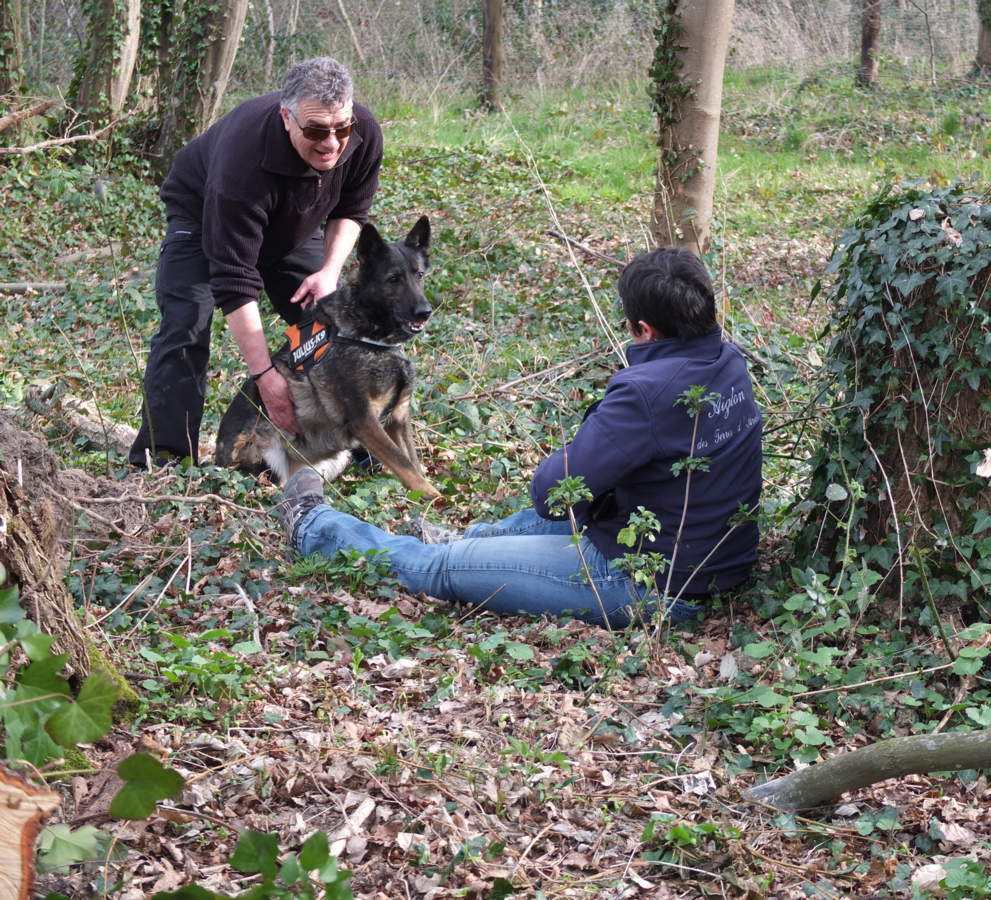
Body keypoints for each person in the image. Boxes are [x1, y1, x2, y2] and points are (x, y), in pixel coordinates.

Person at [277, 247, 763, 628]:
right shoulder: (730, 361)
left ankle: (314, 527)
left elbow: (553, 494)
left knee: (439, 568)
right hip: (709, 560)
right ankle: (470, 542)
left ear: (642, 328)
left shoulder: (646, 394)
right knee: (496, 537)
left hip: (646, 582)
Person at [129, 57, 384, 467]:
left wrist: (329, 272)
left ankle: (351, 438)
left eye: (342, 128)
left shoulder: (364, 132)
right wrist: (267, 377)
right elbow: (235, 280)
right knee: (186, 323)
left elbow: (352, 211)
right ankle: (164, 458)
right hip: (201, 218)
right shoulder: (242, 162)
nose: (332, 143)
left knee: (333, 321)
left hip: (288, 228)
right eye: (316, 130)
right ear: (287, 117)